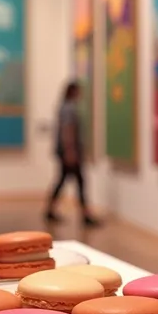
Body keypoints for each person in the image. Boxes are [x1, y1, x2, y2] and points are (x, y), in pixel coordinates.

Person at [45, 80, 100, 227]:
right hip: (70, 152)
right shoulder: (69, 108)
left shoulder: (63, 107)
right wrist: (70, 151)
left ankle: (50, 210)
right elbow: (68, 130)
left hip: (66, 151)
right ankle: (85, 215)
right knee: (80, 182)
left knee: (63, 180)